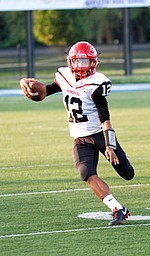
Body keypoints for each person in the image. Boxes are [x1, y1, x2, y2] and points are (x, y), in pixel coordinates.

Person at [20, 41, 134, 226]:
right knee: (85, 172)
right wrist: (26, 83)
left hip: (99, 134)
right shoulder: (64, 76)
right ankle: (117, 209)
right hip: (80, 138)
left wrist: (110, 146)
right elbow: (43, 93)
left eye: (85, 62)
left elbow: (105, 119)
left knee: (128, 173)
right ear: (70, 61)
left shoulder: (97, 83)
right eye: (77, 62)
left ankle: (122, 156)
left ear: (93, 63)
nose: (80, 66)